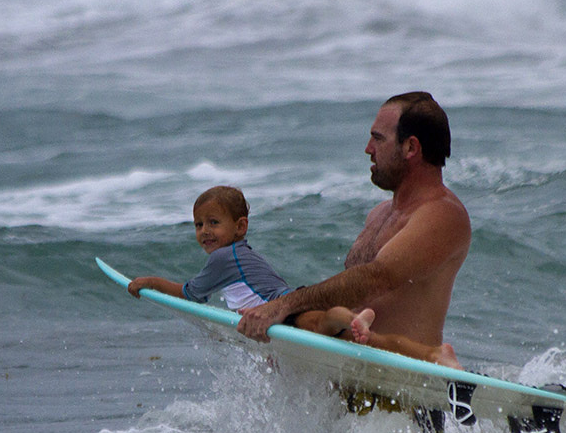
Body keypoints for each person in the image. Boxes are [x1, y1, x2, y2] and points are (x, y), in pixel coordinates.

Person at [236, 92, 471, 354]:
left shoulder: (442, 215)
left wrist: (284, 305)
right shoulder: (380, 214)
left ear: (411, 148)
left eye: (378, 139)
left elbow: (375, 279)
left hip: (398, 385)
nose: (368, 149)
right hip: (351, 373)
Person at [126, 185, 461, 368]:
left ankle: (356, 320)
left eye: (213, 223)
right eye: (198, 225)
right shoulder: (243, 254)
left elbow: (189, 295)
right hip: (291, 304)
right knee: (335, 328)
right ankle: (426, 351)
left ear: (240, 227)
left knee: (324, 325)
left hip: (281, 310)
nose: (204, 232)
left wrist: (148, 284)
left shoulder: (225, 258)